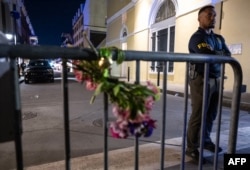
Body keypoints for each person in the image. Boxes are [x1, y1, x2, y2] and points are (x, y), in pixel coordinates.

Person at [186, 5, 231, 163]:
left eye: (214, 15)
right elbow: (207, 54)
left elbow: (228, 54)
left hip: (217, 79)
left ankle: (204, 140)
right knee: (198, 115)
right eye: (209, 15)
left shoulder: (218, 38)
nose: (213, 18)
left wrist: (216, 53)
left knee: (211, 114)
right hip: (201, 79)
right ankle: (191, 149)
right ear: (200, 18)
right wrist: (217, 53)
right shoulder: (197, 38)